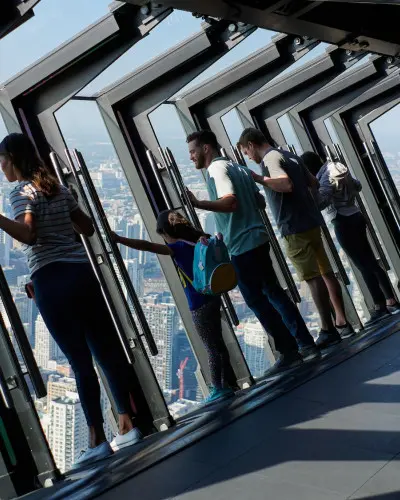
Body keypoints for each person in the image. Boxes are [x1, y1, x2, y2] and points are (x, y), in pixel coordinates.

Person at [0, 133, 141, 468]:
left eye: (1, 160)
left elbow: (27, 234)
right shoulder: (58, 188)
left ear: (12, 158)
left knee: (79, 361)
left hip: (52, 279)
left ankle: (96, 440)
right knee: (105, 352)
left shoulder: (20, 192)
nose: (0, 168)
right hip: (82, 275)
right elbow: (88, 228)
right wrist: (61, 222)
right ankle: (127, 425)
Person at [186, 130, 319, 375]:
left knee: (257, 300)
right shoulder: (238, 167)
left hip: (242, 245)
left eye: (193, 151)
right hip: (257, 237)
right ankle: (304, 342)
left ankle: (288, 349)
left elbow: (230, 202)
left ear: (206, 148)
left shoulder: (216, 170)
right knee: (275, 293)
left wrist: (200, 204)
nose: (191, 157)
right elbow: (258, 202)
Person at [238, 128, 354, 349]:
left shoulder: (270, 159)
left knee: (312, 278)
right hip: (311, 221)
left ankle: (327, 329)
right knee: (326, 272)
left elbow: (285, 184)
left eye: (246, 152)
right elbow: (314, 182)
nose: (248, 157)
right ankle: (341, 321)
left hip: (293, 227)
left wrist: (259, 178)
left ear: (251, 144)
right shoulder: (289, 154)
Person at [113, 209, 235, 403]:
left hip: (198, 303)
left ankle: (218, 388)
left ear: (167, 233)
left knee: (211, 347)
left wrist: (120, 239)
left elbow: (146, 246)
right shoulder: (200, 240)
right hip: (213, 296)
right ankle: (226, 383)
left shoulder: (178, 247)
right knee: (218, 343)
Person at [301, 151, 400, 325]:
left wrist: (312, 190)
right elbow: (358, 185)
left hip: (342, 220)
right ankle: (391, 299)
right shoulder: (338, 167)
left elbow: (322, 201)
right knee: (370, 260)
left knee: (362, 265)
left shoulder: (324, 176)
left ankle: (379, 306)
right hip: (355, 214)